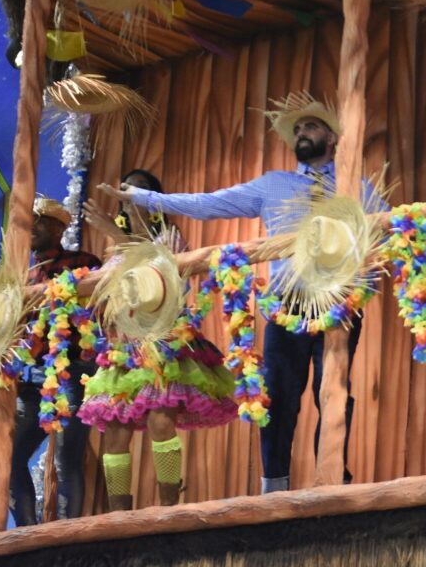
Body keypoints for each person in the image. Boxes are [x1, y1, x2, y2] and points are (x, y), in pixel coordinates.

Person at [98, 96, 383, 492]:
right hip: (287, 306)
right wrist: (145, 199)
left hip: (339, 307)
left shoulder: (358, 187)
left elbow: (386, 235)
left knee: (334, 394)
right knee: (277, 399)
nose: (302, 134)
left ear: (332, 138)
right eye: (298, 130)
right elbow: (208, 204)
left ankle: (333, 480)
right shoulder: (274, 185)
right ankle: (274, 488)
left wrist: (360, 288)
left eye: (311, 127)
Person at [81, 169, 237, 510]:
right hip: (125, 347)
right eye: (125, 192)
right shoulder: (116, 253)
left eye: (139, 192)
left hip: (164, 342)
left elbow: (160, 268)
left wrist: (112, 232)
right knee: (116, 431)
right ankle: (119, 515)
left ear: (153, 203)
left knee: (160, 421)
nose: (131, 198)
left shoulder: (170, 237)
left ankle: (169, 508)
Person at [10, 197, 102, 526]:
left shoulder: (84, 262)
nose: (32, 227)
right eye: (28, 221)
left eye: (40, 220)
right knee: (9, 456)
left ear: (60, 228)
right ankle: (25, 537)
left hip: (73, 371)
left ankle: (64, 539)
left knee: (66, 460)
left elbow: (100, 310)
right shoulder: (20, 273)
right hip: (31, 378)